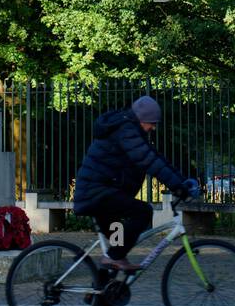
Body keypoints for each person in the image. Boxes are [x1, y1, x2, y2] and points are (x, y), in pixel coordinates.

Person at [73, 95, 200, 273]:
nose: (153, 128)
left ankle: (102, 289)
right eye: (151, 123)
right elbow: (148, 161)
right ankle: (113, 258)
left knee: (117, 246)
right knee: (143, 212)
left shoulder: (130, 131)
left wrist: (180, 181)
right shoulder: (126, 131)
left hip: (102, 193)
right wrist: (178, 187)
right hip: (96, 194)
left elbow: (156, 157)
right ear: (141, 119)